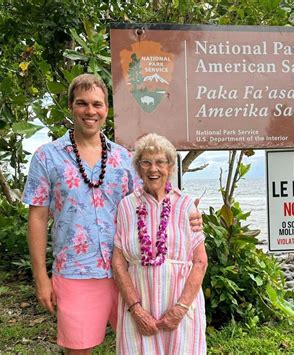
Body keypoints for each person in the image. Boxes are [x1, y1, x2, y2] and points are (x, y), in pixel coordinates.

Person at [22, 74, 202, 354]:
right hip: (76, 273)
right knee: (79, 350)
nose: (90, 111)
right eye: (82, 104)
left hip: (132, 275)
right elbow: (37, 218)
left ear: (107, 109)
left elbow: (155, 198)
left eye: (97, 104)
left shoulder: (123, 158)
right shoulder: (48, 156)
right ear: (70, 106)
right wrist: (41, 278)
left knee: (145, 347)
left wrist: (190, 216)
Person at [112, 133, 208, 355]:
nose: (153, 169)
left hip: (181, 308)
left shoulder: (186, 206)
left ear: (170, 167)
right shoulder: (127, 206)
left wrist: (180, 309)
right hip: (138, 307)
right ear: (138, 168)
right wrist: (136, 309)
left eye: (160, 162)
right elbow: (118, 263)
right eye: (146, 162)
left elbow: (200, 262)